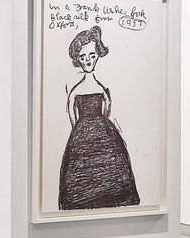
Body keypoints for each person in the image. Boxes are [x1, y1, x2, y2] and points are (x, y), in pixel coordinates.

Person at [59, 25, 139, 209]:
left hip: (105, 134)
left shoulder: (103, 88)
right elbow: (72, 117)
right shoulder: (75, 91)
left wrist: (100, 127)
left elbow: (107, 110)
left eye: (92, 55)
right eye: (82, 57)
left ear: (98, 55)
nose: (87, 60)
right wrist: (80, 133)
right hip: (81, 137)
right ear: (77, 59)